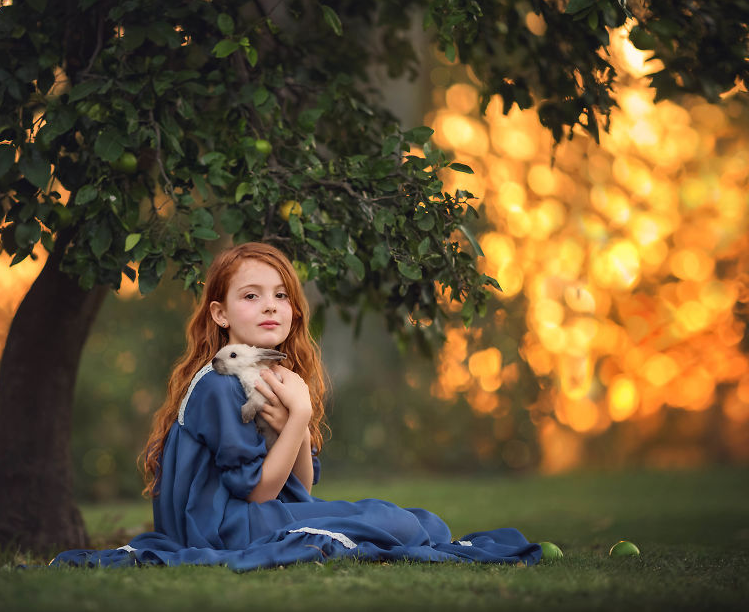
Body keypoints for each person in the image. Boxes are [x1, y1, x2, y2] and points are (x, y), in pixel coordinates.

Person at [50, 242, 541, 571]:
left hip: (249, 515)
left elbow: (299, 485)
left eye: (281, 295)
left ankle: (394, 525)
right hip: (225, 531)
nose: (270, 306)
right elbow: (260, 494)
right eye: (251, 295)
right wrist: (300, 416)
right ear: (219, 315)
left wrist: (296, 428)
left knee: (408, 519)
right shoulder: (220, 385)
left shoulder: (264, 377)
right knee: (394, 522)